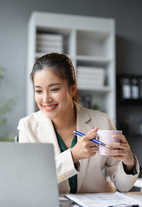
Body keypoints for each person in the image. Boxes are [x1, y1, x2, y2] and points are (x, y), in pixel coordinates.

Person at [17, 53, 140, 194]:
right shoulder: (28, 127)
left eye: (54, 89)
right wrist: (73, 155)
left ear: (72, 88)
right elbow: (29, 180)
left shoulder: (101, 121)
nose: (46, 99)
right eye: (38, 91)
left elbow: (122, 185)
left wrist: (129, 163)